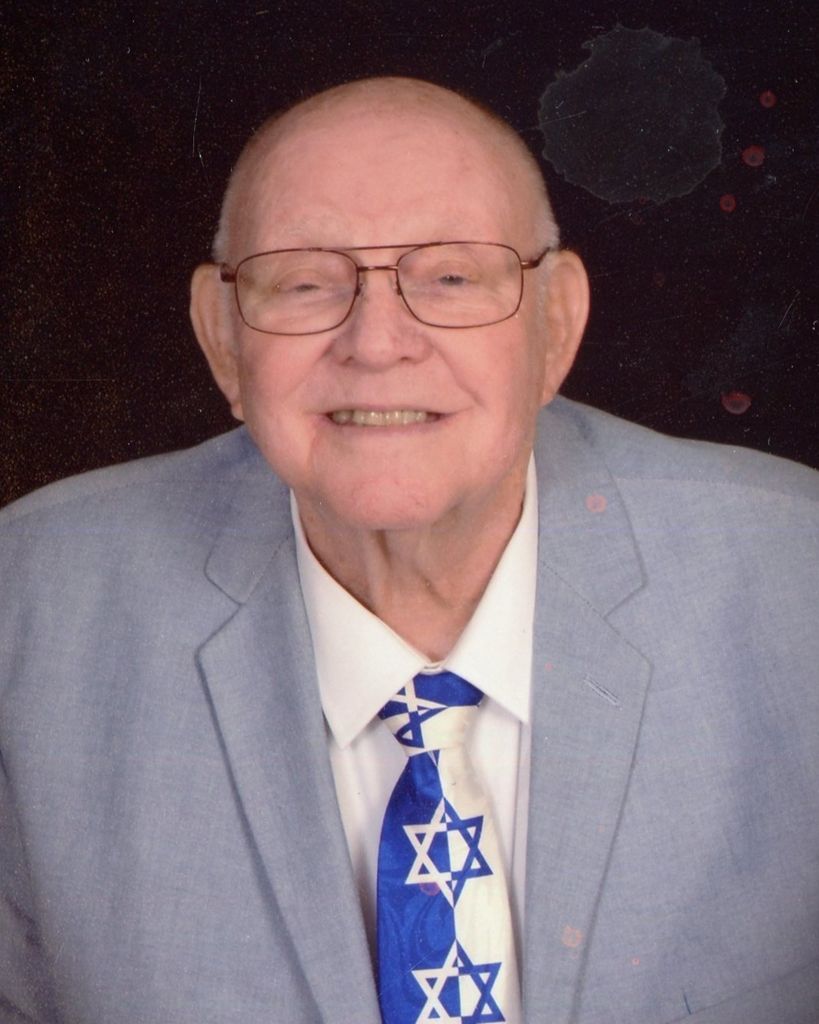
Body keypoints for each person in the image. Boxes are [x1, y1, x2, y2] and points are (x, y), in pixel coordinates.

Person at [1, 76, 817, 1024]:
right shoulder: (29, 611)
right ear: (222, 338)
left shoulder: (795, 580)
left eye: (452, 278)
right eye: (305, 282)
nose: (377, 343)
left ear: (554, 324)